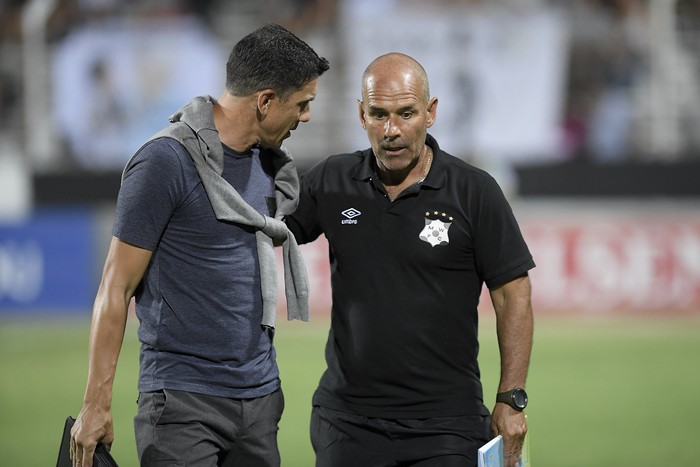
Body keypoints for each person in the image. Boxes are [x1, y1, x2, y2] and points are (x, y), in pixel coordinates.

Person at [70, 23, 329, 467]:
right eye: (301, 104)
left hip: (261, 399)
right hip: (182, 404)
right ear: (265, 102)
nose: (305, 117)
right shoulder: (163, 162)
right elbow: (115, 288)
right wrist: (95, 404)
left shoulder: (271, 164)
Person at [285, 52, 534, 467]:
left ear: (431, 112)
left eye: (406, 113)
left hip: (447, 424)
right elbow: (262, 231)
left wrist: (511, 398)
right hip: (347, 423)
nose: (392, 130)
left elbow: (513, 294)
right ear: (360, 115)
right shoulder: (331, 181)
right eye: (378, 114)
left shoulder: (474, 192)